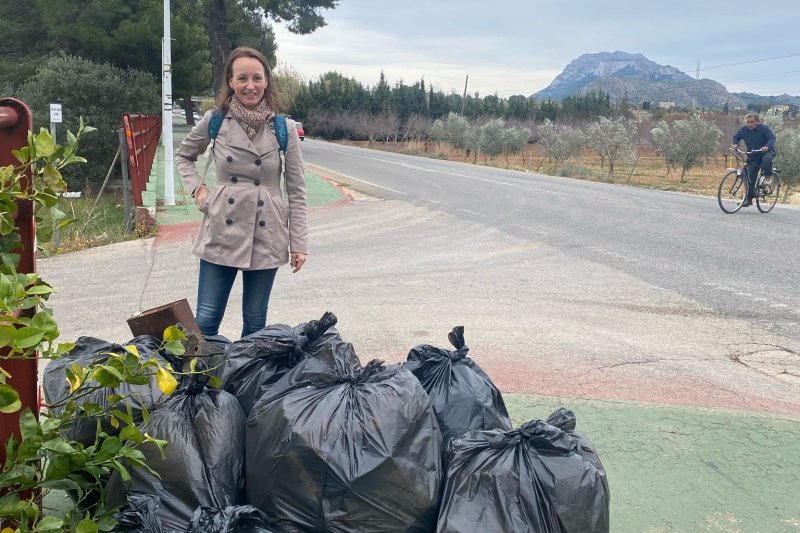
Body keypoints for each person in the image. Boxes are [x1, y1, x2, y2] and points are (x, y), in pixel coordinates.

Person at [176, 47, 307, 338]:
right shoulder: (215, 121)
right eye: (242, 78)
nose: (250, 85)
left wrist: (299, 244)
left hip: (267, 232)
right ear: (231, 82)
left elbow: (297, 191)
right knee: (206, 320)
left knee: (255, 324)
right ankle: (204, 369)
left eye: (257, 78)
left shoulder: (283, 128)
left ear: (266, 81)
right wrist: (198, 188)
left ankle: (246, 370)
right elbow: (183, 155)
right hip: (221, 228)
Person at [731, 112, 776, 207]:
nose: (749, 124)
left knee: (767, 160)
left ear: (757, 122)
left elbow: (772, 138)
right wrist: (735, 143)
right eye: (748, 122)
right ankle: (748, 199)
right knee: (748, 177)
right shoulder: (744, 130)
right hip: (753, 155)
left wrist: (767, 146)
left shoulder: (764, 129)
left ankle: (768, 178)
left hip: (766, 152)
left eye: (752, 122)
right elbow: (736, 137)